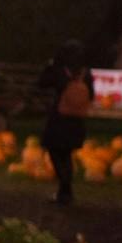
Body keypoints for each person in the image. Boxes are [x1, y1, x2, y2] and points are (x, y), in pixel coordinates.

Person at [38, 40, 92, 205]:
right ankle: (65, 190)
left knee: (56, 152)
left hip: (59, 119)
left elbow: (42, 82)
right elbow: (92, 94)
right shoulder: (85, 72)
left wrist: (50, 66)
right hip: (76, 120)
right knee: (66, 155)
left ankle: (65, 188)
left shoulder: (59, 69)